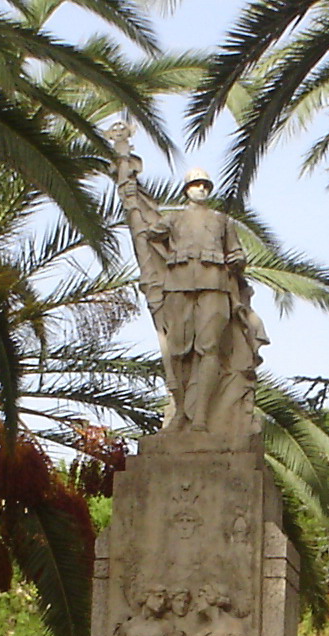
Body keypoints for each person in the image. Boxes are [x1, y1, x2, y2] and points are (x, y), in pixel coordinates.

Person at [108, 121, 268, 433]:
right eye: (196, 185)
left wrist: (237, 260)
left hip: (214, 286)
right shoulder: (173, 219)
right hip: (178, 285)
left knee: (208, 349)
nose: (201, 189)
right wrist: (131, 197)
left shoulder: (223, 221)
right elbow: (147, 231)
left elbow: (236, 253)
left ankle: (201, 417)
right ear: (187, 189)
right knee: (179, 351)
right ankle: (181, 410)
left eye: (206, 186)